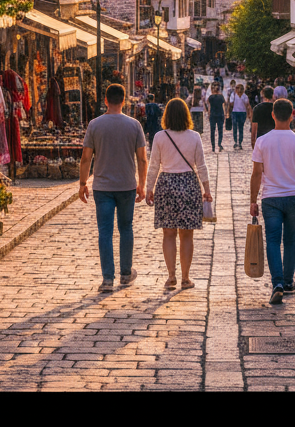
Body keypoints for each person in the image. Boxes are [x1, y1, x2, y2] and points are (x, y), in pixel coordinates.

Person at [79, 83, 147, 292]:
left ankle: (107, 279)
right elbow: (143, 159)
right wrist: (142, 185)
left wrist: (82, 183)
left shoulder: (95, 125)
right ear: (124, 101)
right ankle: (125, 274)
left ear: (106, 101)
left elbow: (86, 158)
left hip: (103, 187)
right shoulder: (134, 125)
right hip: (127, 185)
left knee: (105, 232)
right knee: (126, 228)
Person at [249, 98, 295, 305]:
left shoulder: (262, 141)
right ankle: (288, 282)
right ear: (292, 115)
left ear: (272, 115)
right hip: (294, 196)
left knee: (272, 240)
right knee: (290, 240)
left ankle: (277, 283)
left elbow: (256, 174)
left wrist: (253, 200)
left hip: (271, 198)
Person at [145, 98, 212, 290]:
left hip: (166, 184)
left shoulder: (159, 137)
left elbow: (154, 166)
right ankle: (185, 277)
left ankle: (171, 276)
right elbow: (201, 166)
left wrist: (149, 187)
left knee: (168, 233)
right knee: (187, 235)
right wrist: (206, 190)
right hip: (189, 184)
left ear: (166, 116)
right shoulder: (194, 137)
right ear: (186, 115)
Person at [206, 81, 227, 152]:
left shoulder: (210, 97)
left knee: (212, 131)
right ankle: (219, 144)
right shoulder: (221, 97)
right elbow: (223, 106)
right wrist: (225, 114)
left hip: (213, 115)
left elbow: (209, 107)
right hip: (220, 114)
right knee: (220, 131)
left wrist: (208, 115)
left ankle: (213, 146)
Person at [230, 83, 251, 150]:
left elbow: (247, 104)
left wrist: (248, 113)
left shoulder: (244, 96)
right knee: (235, 128)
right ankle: (236, 141)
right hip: (235, 112)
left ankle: (240, 142)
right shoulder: (233, 95)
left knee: (241, 128)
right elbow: (231, 103)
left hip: (242, 113)